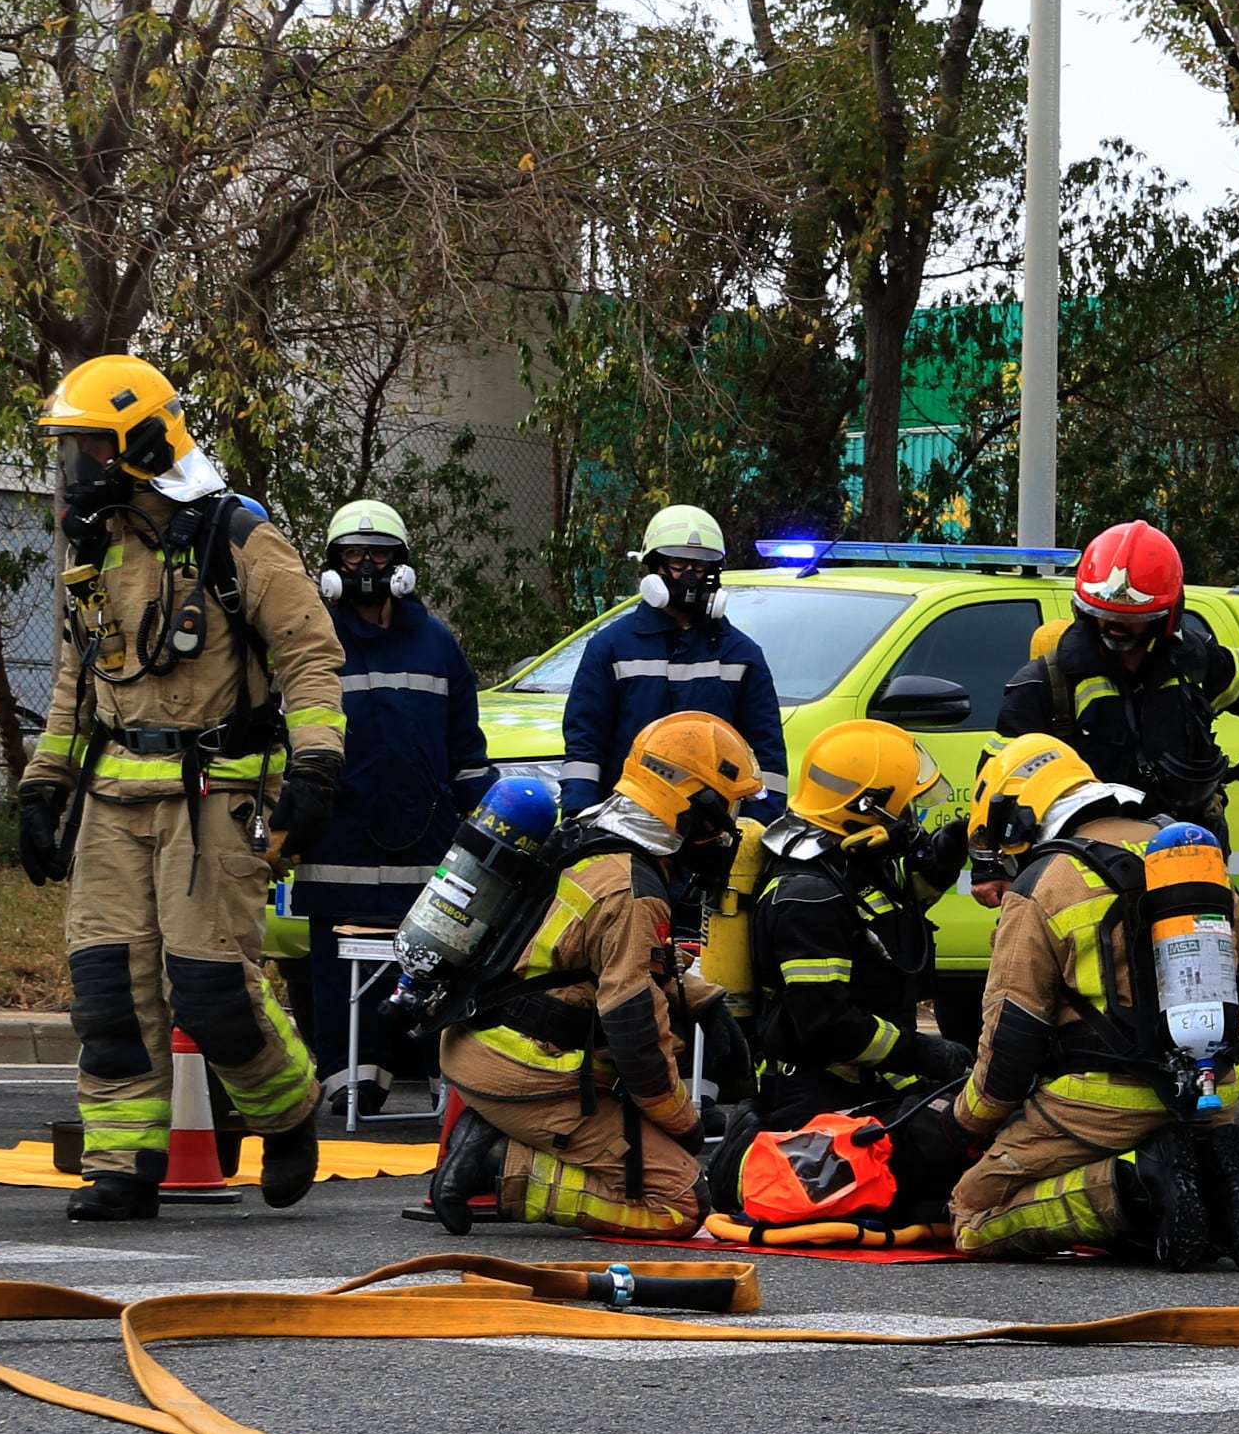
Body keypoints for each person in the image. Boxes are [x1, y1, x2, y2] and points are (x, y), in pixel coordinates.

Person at [10, 354, 344, 1222]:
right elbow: (74, 681)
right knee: (108, 990)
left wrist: (314, 767)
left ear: (142, 447)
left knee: (212, 992)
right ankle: (122, 1164)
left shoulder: (237, 539)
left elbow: (309, 655)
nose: (71, 470)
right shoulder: (94, 545)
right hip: (112, 805)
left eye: (85, 450)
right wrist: (41, 787)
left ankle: (289, 1109)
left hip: (212, 804)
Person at [911, 732, 1239, 1266]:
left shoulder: (1044, 882)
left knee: (972, 1214)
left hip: (1103, 1104)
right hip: (1211, 1088)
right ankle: (1209, 1177)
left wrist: (962, 1123)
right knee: (1186, 1155)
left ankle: (1137, 1183)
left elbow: (1011, 1045)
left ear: (1020, 814)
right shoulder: (1181, 851)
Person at [423, 711, 753, 1237]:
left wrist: (703, 1000)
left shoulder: (590, 831)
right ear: (697, 810)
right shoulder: (634, 888)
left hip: (478, 1043)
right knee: (681, 1204)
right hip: (530, 1071)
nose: (728, 831)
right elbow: (635, 1035)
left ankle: (496, 1131)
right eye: (727, 811)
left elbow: (590, 959)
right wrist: (682, 1123)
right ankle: (498, 1166)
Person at [284, 498, 489, 1117]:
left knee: (435, 963)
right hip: (338, 844)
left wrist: (484, 825)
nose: (366, 564)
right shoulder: (313, 642)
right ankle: (352, 1076)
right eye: (353, 554)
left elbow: (465, 747)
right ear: (333, 564)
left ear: (401, 564)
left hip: (427, 845)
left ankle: (438, 1074)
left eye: (378, 554)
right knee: (334, 968)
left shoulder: (436, 644)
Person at [740, 719, 980, 1226]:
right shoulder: (808, 897)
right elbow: (827, 1024)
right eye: (905, 809)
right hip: (818, 1100)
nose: (912, 820)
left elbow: (893, 911)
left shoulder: (849, 863)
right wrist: (927, 1052)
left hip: (871, 1085)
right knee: (943, 1166)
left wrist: (948, 850)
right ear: (866, 812)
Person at [995, 517, 1239, 841]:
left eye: (1130, 619)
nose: (1112, 625)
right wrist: (990, 866)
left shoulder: (1194, 663)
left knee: (1226, 901)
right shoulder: (1044, 684)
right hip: (1088, 863)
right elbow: (1000, 779)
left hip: (1188, 854)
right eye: (1103, 614)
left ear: (1165, 618)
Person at [561, 505, 781, 822]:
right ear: (654, 568)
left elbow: (766, 752)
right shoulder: (611, 647)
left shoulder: (741, 654)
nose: (690, 576)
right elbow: (586, 743)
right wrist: (581, 816)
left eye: (701, 565)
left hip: (712, 827)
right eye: (678, 563)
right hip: (627, 820)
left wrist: (758, 825)